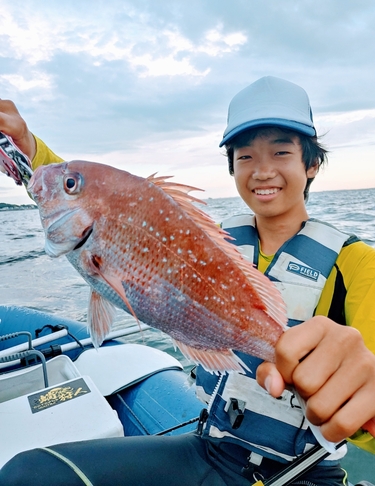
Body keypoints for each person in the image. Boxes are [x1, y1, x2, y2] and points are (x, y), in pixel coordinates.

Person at [1, 77, 375, 485]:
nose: (262, 170)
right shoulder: (209, 240)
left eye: (281, 152)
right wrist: (28, 146)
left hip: (302, 473)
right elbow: (105, 201)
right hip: (211, 449)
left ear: (312, 163)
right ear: (231, 166)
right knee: (28, 472)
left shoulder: (357, 263)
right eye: (245, 156)